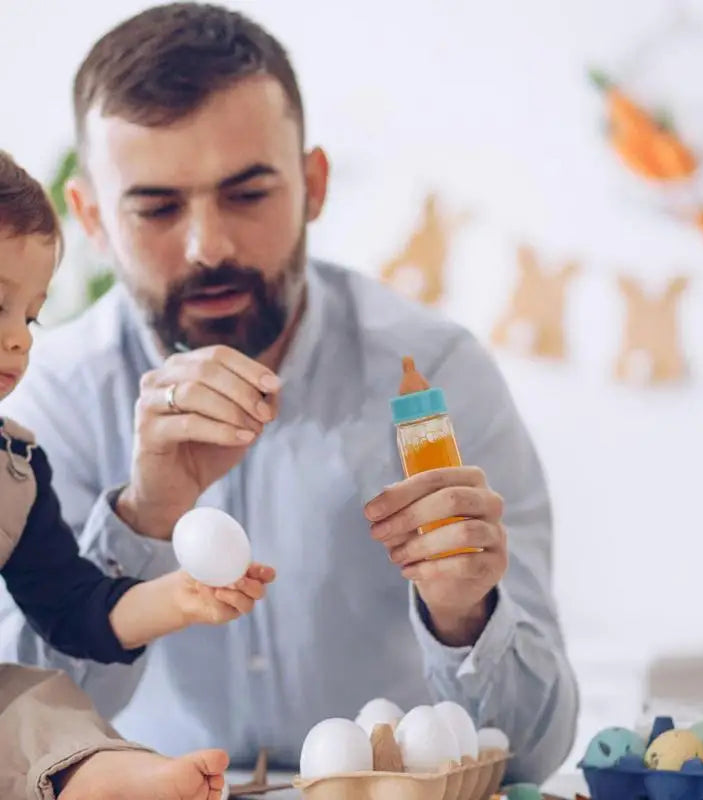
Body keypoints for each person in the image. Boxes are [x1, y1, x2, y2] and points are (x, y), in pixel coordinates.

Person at [0, 2, 578, 783]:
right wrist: (144, 518)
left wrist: (464, 616)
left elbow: (534, 754)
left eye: (247, 194)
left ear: (313, 184)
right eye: (157, 207)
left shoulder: (436, 371)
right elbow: (13, 732)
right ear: (94, 219)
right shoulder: (44, 400)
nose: (210, 247)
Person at [0, 151, 271, 798]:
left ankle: (111, 780)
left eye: (30, 315)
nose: (20, 340)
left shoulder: (18, 471)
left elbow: (73, 609)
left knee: (35, 699)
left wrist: (177, 598)